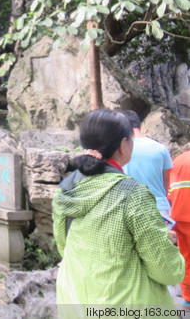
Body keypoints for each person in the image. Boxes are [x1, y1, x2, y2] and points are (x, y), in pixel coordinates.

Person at [53, 108, 184, 310]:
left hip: (74, 299)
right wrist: (167, 242)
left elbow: (65, 247)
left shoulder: (66, 188)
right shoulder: (132, 194)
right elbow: (167, 271)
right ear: (123, 144)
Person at [122, 109, 173, 224]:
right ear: (140, 125)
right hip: (159, 207)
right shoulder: (161, 148)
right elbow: (166, 180)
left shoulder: (121, 149)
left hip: (130, 206)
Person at [169, 148, 190, 307]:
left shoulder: (178, 160)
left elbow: (170, 192)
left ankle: (187, 299)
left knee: (185, 257)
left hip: (178, 218)